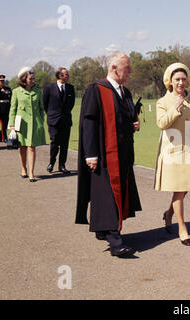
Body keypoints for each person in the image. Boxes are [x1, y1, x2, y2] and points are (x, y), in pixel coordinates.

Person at [75, 52, 142, 257]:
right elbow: (89, 123)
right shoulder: (97, 90)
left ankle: (103, 229)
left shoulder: (125, 92)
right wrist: (91, 154)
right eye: (127, 67)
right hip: (104, 155)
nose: (130, 71)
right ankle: (115, 242)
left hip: (122, 154)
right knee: (107, 196)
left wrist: (134, 124)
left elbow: (125, 120)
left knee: (112, 195)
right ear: (114, 68)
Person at [154, 62, 190, 246]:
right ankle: (182, 228)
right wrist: (176, 108)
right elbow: (162, 124)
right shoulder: (163, 102)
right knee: (179, 190)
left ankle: (169, 214)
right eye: (177, 79)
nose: (181, 82)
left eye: (183, 79)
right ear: (170, 82)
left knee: (184, 189)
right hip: (172, 150)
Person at [8, 67, 46, 181]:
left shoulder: (38, 91)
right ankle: (23, 168)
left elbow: (41, 108)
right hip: (21, 124)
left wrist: (40, 121)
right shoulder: (16, 92)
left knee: (32, 147)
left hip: (34, 124)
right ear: (24, 79)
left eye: (34, 78)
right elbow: (12, 109)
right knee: (23, 147)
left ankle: (31, 173)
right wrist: (12, 124)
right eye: (31, 79)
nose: (33, 81)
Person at [43, 67, 75, 174]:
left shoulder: (70, 88)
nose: (68, 76)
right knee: (55, 142)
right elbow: (45, 104)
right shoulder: (49, 88)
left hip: (66, 120)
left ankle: (62, 165)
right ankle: (51, 162)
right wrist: (52, 115)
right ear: (60, 75)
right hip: (53, 120)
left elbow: (71, 103)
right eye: (66, 74)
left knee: (65, 144)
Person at [0, 75, 12, 143]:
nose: (2, 82)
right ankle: (2, 136)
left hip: (6, 109)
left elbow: (10, 96)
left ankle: (3, 136)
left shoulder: (8, 88)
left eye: (3, 80)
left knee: (4, 125)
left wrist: (5, 93)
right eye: (1, 81)